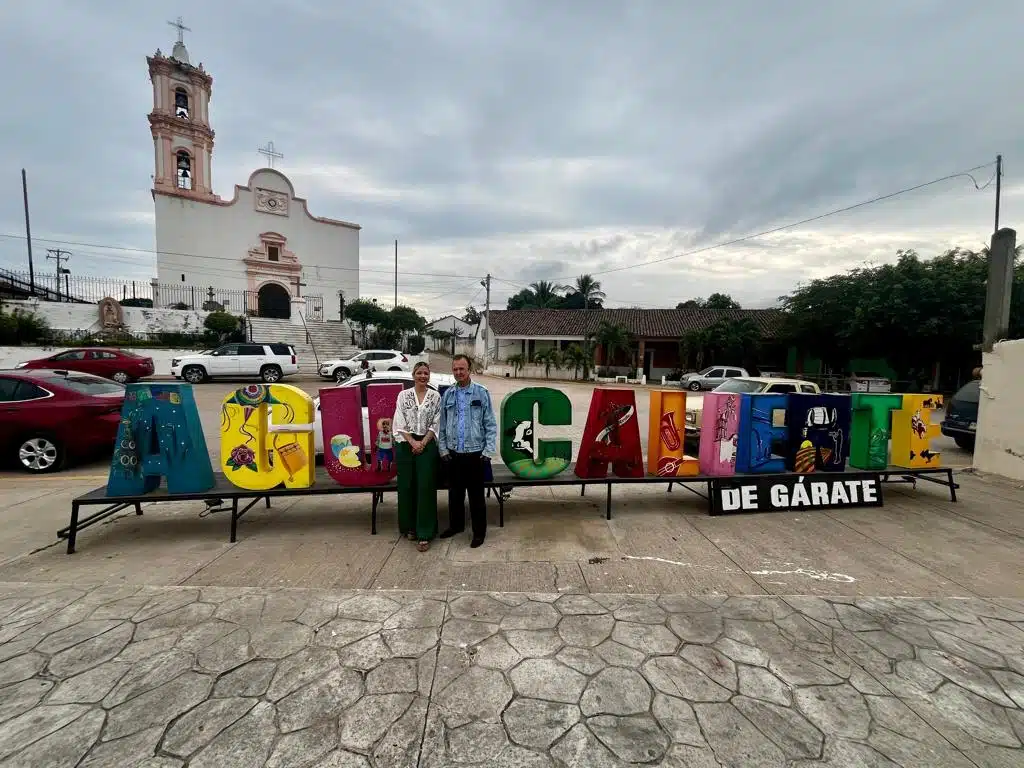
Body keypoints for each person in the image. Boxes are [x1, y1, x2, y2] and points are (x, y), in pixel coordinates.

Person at [437, 354, 497, 548]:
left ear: (469, 370)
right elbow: (443, 425)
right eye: (455, 369)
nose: (458, 372)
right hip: (454, 454)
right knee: (455, 495)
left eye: (462, 369)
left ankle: (479, 533)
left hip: (475, 454)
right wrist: (443, 449)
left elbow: (490, 423)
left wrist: (488, 451)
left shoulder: (481, 392)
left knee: (476, 497)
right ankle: (456, 526)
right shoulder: (448, 395)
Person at [392, 361, 441, 551]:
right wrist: (413, 442)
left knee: (425, 487)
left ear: (429, 376)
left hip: (427, 445)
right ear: (413, 375)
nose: (423, 376)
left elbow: (436, 422)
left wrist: (423, 443)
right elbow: (399, 421)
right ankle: (409, 527)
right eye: (419, 373)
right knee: (407, 486)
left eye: (426, 373)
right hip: (406, 445)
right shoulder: (403, 395)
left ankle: (425, 532)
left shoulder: (435, 397)